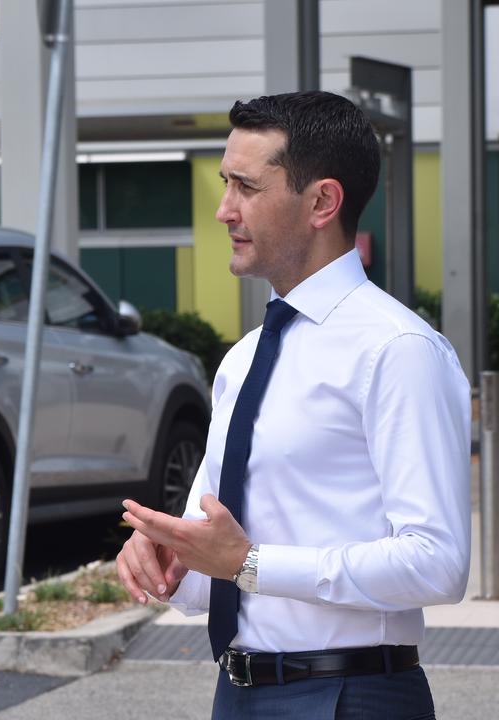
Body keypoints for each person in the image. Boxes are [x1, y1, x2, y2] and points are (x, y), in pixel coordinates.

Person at [116, 90, 471, 718]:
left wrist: (250, 564)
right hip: (239, 691)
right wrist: (175, 563)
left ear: (322, 202)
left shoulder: (398, 349)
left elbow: (437, 563)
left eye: (247, 188)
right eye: (226, 183)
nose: (224, 210)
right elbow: (216, 563)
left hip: (352, 696)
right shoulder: (244, 358)